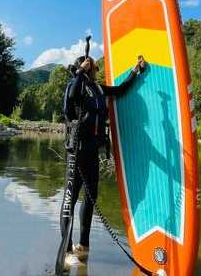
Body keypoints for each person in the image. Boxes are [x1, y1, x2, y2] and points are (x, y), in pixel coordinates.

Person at [60, 53, 146, 268]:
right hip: (76, 151)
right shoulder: (75, 85)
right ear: (83, 67)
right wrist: (79, 72)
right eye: (90, 65)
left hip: (91, 151)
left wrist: (134, 72)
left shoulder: (97, 88)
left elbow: (119, 91)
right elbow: (70, 100)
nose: (94, 68)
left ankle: (83, 245)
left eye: (94, 66)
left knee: (91, 197)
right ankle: (66, 250)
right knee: (70, 199)